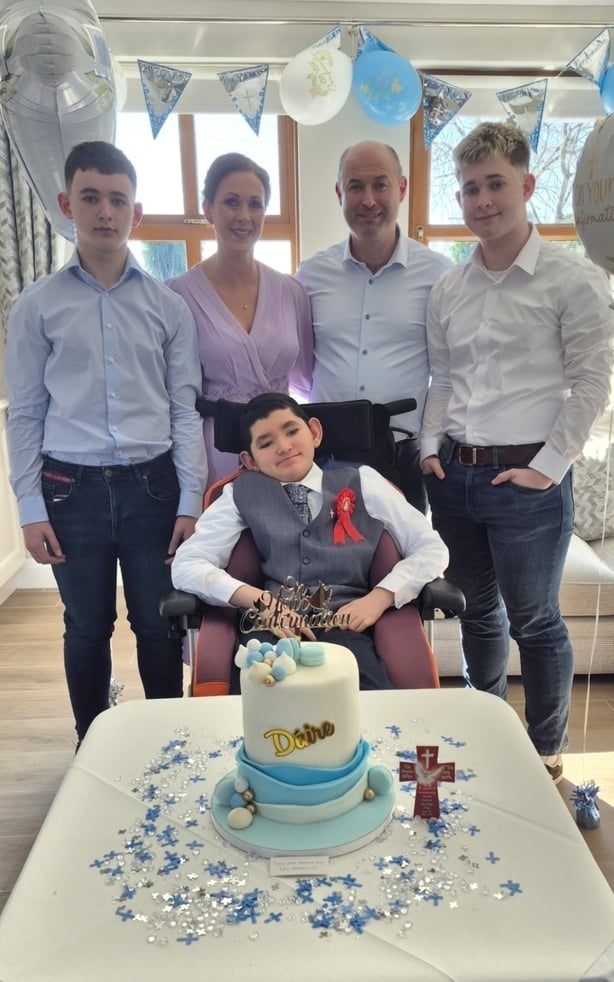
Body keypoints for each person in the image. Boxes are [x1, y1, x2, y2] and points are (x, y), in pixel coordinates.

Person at [420, 121, 614, 783]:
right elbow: (442, 379)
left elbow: (591, 383)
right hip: (455, 477)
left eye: (495, 184)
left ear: (527, 185)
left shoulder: (572, 278)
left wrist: (547, 468)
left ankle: (544, 757)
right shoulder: (449, 287)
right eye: (470, 188)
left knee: (534, 621)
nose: (482, 201)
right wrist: (429, 449)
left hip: (528, 482)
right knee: (476, 613)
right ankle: (486, 738)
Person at [5, 140, 207, 745]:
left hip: (154, 486)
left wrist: (190, 501)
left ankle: (167, 741)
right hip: (70, 490)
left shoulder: (168, 307)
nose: (105, 211)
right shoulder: (37, 306)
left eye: (118, 199)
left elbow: (184, 410)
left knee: (158, 623)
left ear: (135, 212)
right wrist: (30, 508)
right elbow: (25, 414)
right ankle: (91, 745)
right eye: (90, 197)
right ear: (67, 204)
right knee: (87, 626)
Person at [171, 392, 448, 691]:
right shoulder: (239, 494)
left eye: (292, 431)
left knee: (365, 696)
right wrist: (260, 601)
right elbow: (186, 564)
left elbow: (431, 548)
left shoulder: (364, 482)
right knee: (259, 695)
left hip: (346, 624)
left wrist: (379, 598)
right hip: (270, 627)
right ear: (250, 460)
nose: (284, 446)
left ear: (314, 432)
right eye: (266, 443)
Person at [296, 140, 452, 513]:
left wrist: (432, 444)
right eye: (356, 186)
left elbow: (448, 372)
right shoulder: (310, 275)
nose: (368, 200)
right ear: (339, 193)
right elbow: (299, 368)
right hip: (324, 456)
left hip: (403, 459)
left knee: (404, 552)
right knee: (322, 551)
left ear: (402, 188)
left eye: (380, 185)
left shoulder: (439, 275)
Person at [167, 152, 313, 487]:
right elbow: (174, 396)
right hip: (217, 451)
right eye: (232, 202)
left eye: (255, 204)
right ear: (208, 209)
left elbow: (306, 377)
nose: (244, 216)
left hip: (283, 451)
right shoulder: (177, 295)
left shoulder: (292, 292)